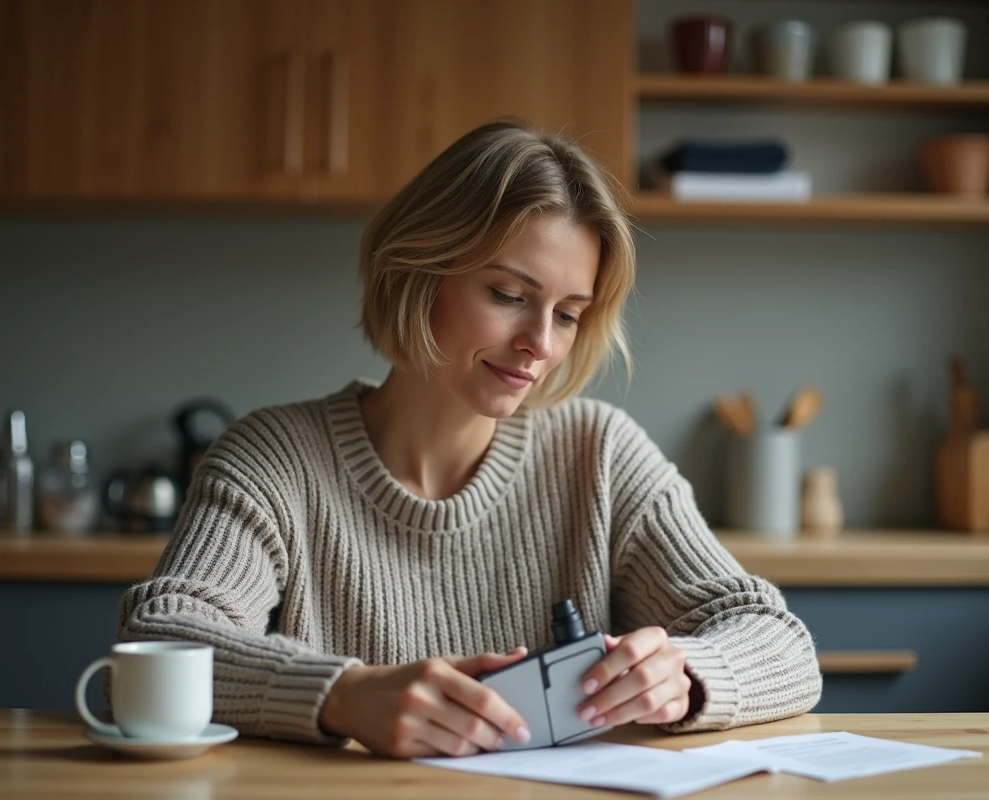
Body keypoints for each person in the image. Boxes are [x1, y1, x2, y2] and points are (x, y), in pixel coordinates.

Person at [117, 120, 821, 759]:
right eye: (510, 296)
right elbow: (161, 637)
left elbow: (780, 642)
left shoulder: (600, 454)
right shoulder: (274, 458)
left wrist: (689, 676)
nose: (540, 345)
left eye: (569, 314)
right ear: (420, 271)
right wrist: (342, 694)